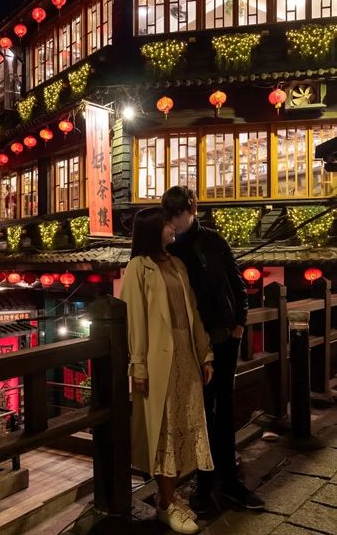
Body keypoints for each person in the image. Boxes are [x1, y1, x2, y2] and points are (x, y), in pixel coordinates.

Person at [161, 186, 265, 513]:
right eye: (172, 215)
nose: (176, 222)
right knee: (202, 412)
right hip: (193, 343)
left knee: (224, 407)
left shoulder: (215, 241)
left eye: (180, 214)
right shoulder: (170, 249)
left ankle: (230, 482)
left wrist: (238, 326)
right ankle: (204, 485)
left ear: (192, 208)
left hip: (224, 338)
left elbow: (237, 285)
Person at [120, 207, 214, 534]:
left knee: (184, 424)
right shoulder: (137, 268)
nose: (172, 227)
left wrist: (205, 353)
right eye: (166, 224)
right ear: (152, 230)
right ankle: (165, 501)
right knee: (163, 430)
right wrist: (139, 365)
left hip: (185, 354)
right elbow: (135, 321)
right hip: (158, 361)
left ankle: (171, 498)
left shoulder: (177, 264)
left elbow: (192, 312)